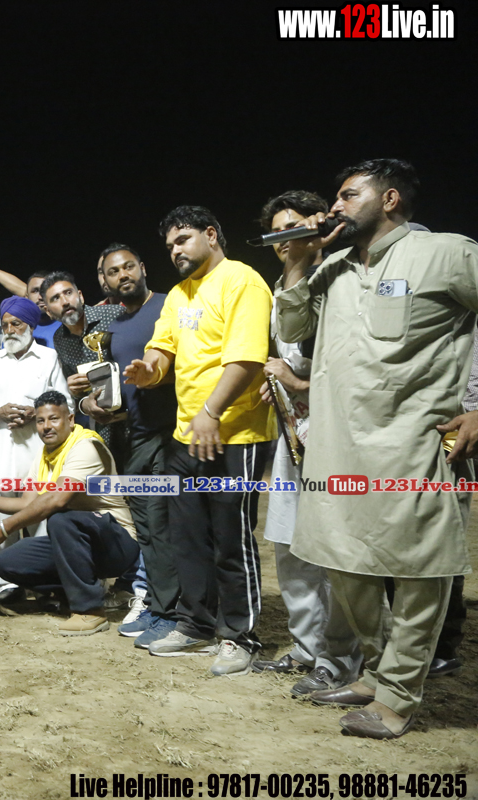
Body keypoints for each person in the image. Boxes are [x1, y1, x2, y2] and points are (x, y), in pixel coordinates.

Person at [275, 159, 478, 738]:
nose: (334, 207)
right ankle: (377, 671)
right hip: (337, 449)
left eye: (347, 196)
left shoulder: (446, 253)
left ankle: (397, 698)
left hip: (413, 445)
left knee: (417, 572)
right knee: (344, 562)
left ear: (389, 199)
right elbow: (291, 329)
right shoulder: (331, 267)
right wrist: (298, 260)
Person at [125, 205, 276, 677]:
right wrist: (149, 371)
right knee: (188, 537)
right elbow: (162, 348)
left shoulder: (242, 281)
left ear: (211, 235)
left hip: (236, 433)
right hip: (186, 435)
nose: (175, 250)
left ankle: (239, 635)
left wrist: (211, 412)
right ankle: (194, 624)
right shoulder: (179, 294)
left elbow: (247, 359)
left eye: (184, 239)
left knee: (231, 539)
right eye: (170, 245)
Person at [249, 192, 361, 697]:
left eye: (293, 227)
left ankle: (340, 660)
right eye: (276, 232)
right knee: (290, 542)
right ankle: (306, 646)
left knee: (334, 549)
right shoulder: (283, 286)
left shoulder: (344, 273)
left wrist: (297, 383)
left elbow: (359, 363)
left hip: (340, 432)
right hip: (294, 434)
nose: (284, 240)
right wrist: (280, 387)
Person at [79, 244, 181, 645]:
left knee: (165, 524)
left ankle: (174, 611)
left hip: (172, 435)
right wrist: (93, 404)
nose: (123, 275)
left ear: (142, 268)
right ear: (104, 281)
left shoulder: (169, 306)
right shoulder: (113, 327)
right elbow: (111, 387)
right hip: (132, 437)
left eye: (128, 267)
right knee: (147, 529)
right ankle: (157, 604)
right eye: (113, 271)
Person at [0, 391, 139, 635]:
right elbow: (26, 503)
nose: (46, 426)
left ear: (70, 419)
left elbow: (57, 498)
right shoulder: (44, 456)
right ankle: (70, 591)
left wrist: (4, 527)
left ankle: (90, 611)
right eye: (40, 421)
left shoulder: (86, 447)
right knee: (7, 562)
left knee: (61, 518)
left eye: (54, 419)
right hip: (78, 543)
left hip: (117, 543)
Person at [0, 297, 70, 601]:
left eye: (16, 324)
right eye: (5, 325)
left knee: (42, 518)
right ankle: (4, 586)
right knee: (0, 516)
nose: (10, 330)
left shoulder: (49, 358)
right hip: (0, 449)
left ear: (31, 326)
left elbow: (65, 402)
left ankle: (44, 585)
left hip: (40, 451)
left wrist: (36, 413)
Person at [42, 272, 124, 444]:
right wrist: (82, 400)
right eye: (55, 298)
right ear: (48, 311)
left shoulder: (114, 314)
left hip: (139, 419)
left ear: (80, 296)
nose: (65, 301)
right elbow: (78, 396)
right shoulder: (59, 339)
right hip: (104, 427)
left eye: (68, 293)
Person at [26, 271, 61, 347]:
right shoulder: (17, 330)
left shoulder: (69, 327)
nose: (40, 297)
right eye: (35, 291)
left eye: (45, 290)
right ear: (27, 297)